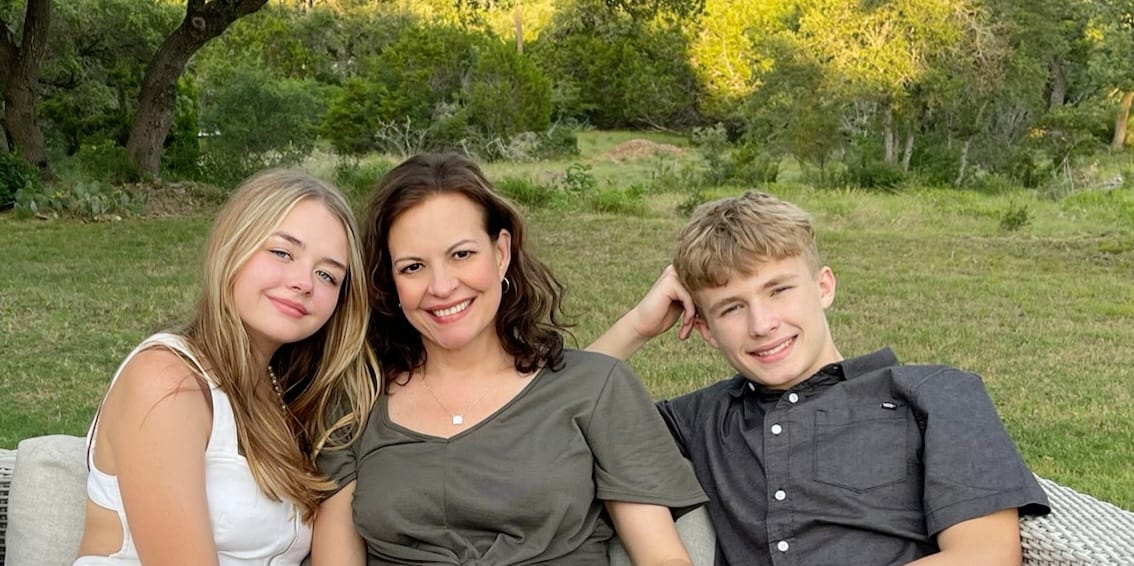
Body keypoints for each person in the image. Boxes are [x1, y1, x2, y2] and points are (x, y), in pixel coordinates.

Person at [590, 191, 1051, 565]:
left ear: (823, 286)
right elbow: (560, 415)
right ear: (705, 329)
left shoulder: (936, 393)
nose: (762, 324)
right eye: (731, 308)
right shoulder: (698, 420)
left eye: (779, 290)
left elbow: (985, 555)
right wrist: (636, 327)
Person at [311, 153, 707, 565]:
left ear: (501, 252)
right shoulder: (356, 406)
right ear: (391, 281)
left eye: (462, 254)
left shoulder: (597, 386)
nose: (441, 286)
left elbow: (663, 557)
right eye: (413, 267)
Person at [74, 170, 378, 566]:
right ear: (233, 245)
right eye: (282, 252)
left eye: (327, 275)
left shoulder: (284, 394)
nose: (305, 282)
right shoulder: (168, 380)